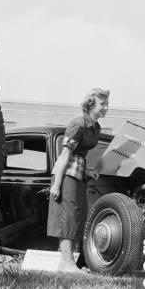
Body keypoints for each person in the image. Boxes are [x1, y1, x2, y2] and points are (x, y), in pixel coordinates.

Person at [47, 88, 109, 271]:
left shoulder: (96, 127)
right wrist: (57, 185)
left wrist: (86, 170)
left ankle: (65, 263)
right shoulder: (78, 123)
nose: (105, 108)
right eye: (102, 104)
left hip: (78, 173)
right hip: (66, 174)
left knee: (76, 217)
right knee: (68, 217)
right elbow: (65, 155)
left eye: (107, 104)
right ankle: (66, 263)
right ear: (90, 104)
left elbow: (79, 155)